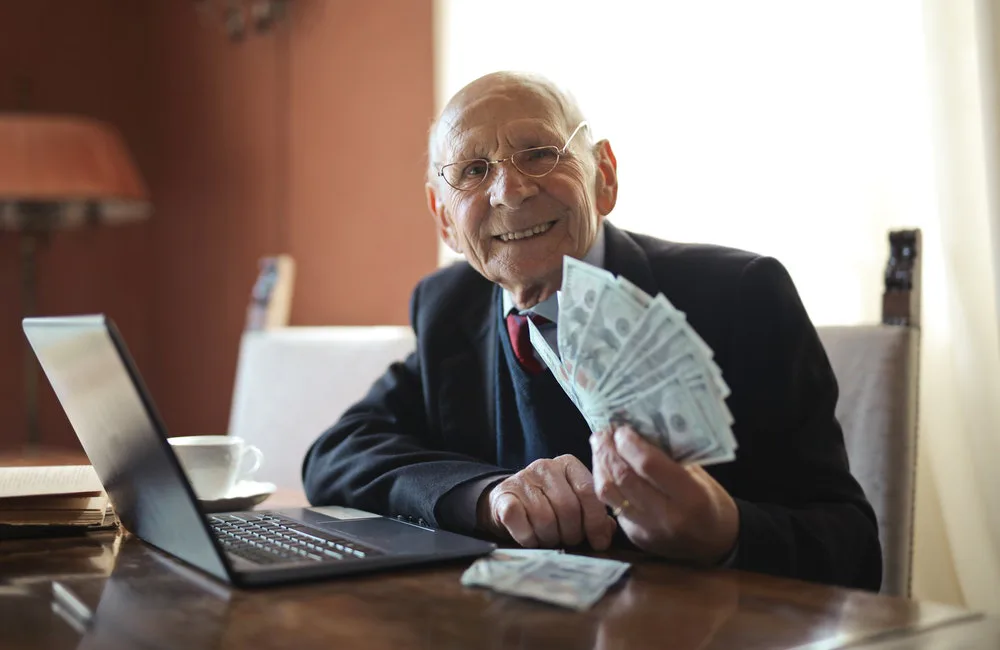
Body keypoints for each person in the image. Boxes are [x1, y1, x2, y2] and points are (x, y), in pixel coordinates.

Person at [302, 71, 882, 590]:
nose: (511, 189)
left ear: (604, 175)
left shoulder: (740, 294)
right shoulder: (449, 305)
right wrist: (488, 495)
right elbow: (337, 454)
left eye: (538, 153)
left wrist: (724, 530)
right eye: (474, 171)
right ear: (444, 219)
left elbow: (853, 548)